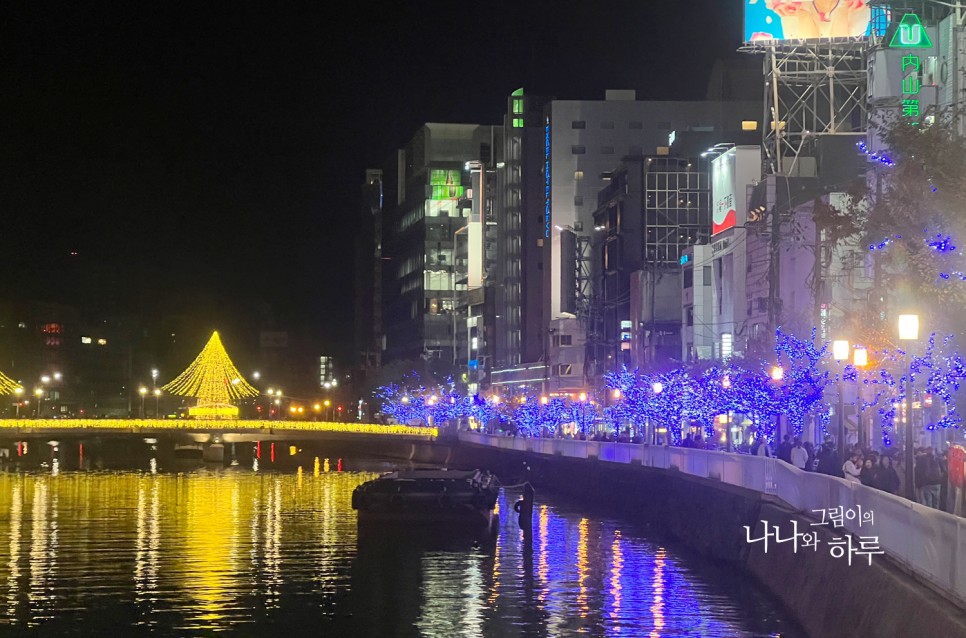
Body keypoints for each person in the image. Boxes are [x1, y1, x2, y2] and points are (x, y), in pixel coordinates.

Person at [758, 0, 872, 41]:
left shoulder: (857, 8)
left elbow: (844, 52)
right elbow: (803, 53)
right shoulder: (791, 8)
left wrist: (842, 9)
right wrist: (802, 12)